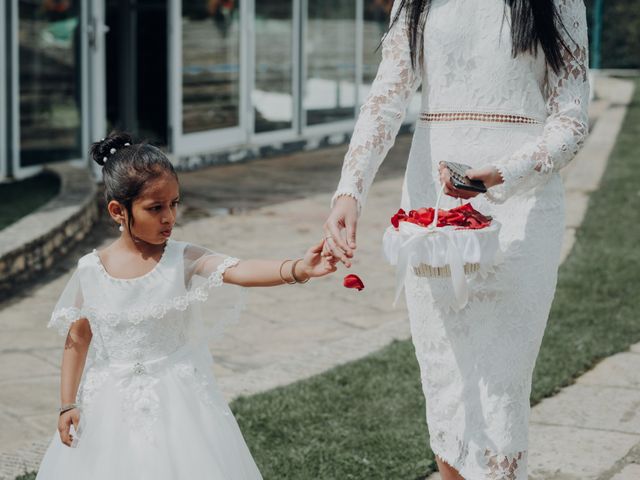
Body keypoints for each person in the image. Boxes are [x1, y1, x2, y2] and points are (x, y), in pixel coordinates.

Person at [323, 0, 589, 478]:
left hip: (522, 212)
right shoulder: (416, 2)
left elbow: (570, 121)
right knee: (447, 382)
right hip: (435, 207)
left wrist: (500, 174)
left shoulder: (560, 2)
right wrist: (350, 190)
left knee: (500, 390)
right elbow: (387, 97)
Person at [36, 132, 337, 480]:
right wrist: (67, 403)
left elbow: (238, 269)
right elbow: (78, 336)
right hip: (108, 404)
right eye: (155, 208)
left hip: (177, 402)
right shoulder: (91, 270)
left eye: (174, 204)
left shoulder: (182, 258)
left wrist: (298, 269)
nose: (169, 217)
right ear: (118, 210)